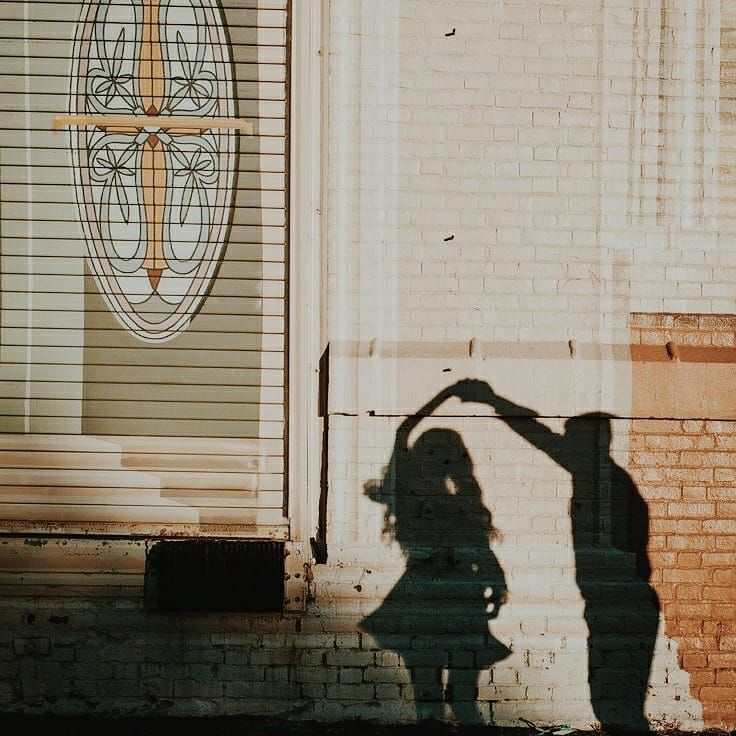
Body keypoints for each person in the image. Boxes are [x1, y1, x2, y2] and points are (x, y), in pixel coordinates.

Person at [455, 379, 657, 731]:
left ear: (595, 440)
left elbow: (540, 436)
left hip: (619, 599)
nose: (568, 444)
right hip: (613, 598)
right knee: (615, 709)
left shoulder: (603, 478)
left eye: (574, 437)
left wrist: (492, 400)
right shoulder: (602, 478)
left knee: (617, 708)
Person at [361, 383, 510, 724]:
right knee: (455, 697)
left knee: (437, 695)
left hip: (434, 592)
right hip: (452, 592)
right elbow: (403, 430)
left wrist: (496, 584)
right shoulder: (426, 498)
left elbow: (404, 430)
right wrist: (496, 584)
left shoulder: (417, 498)